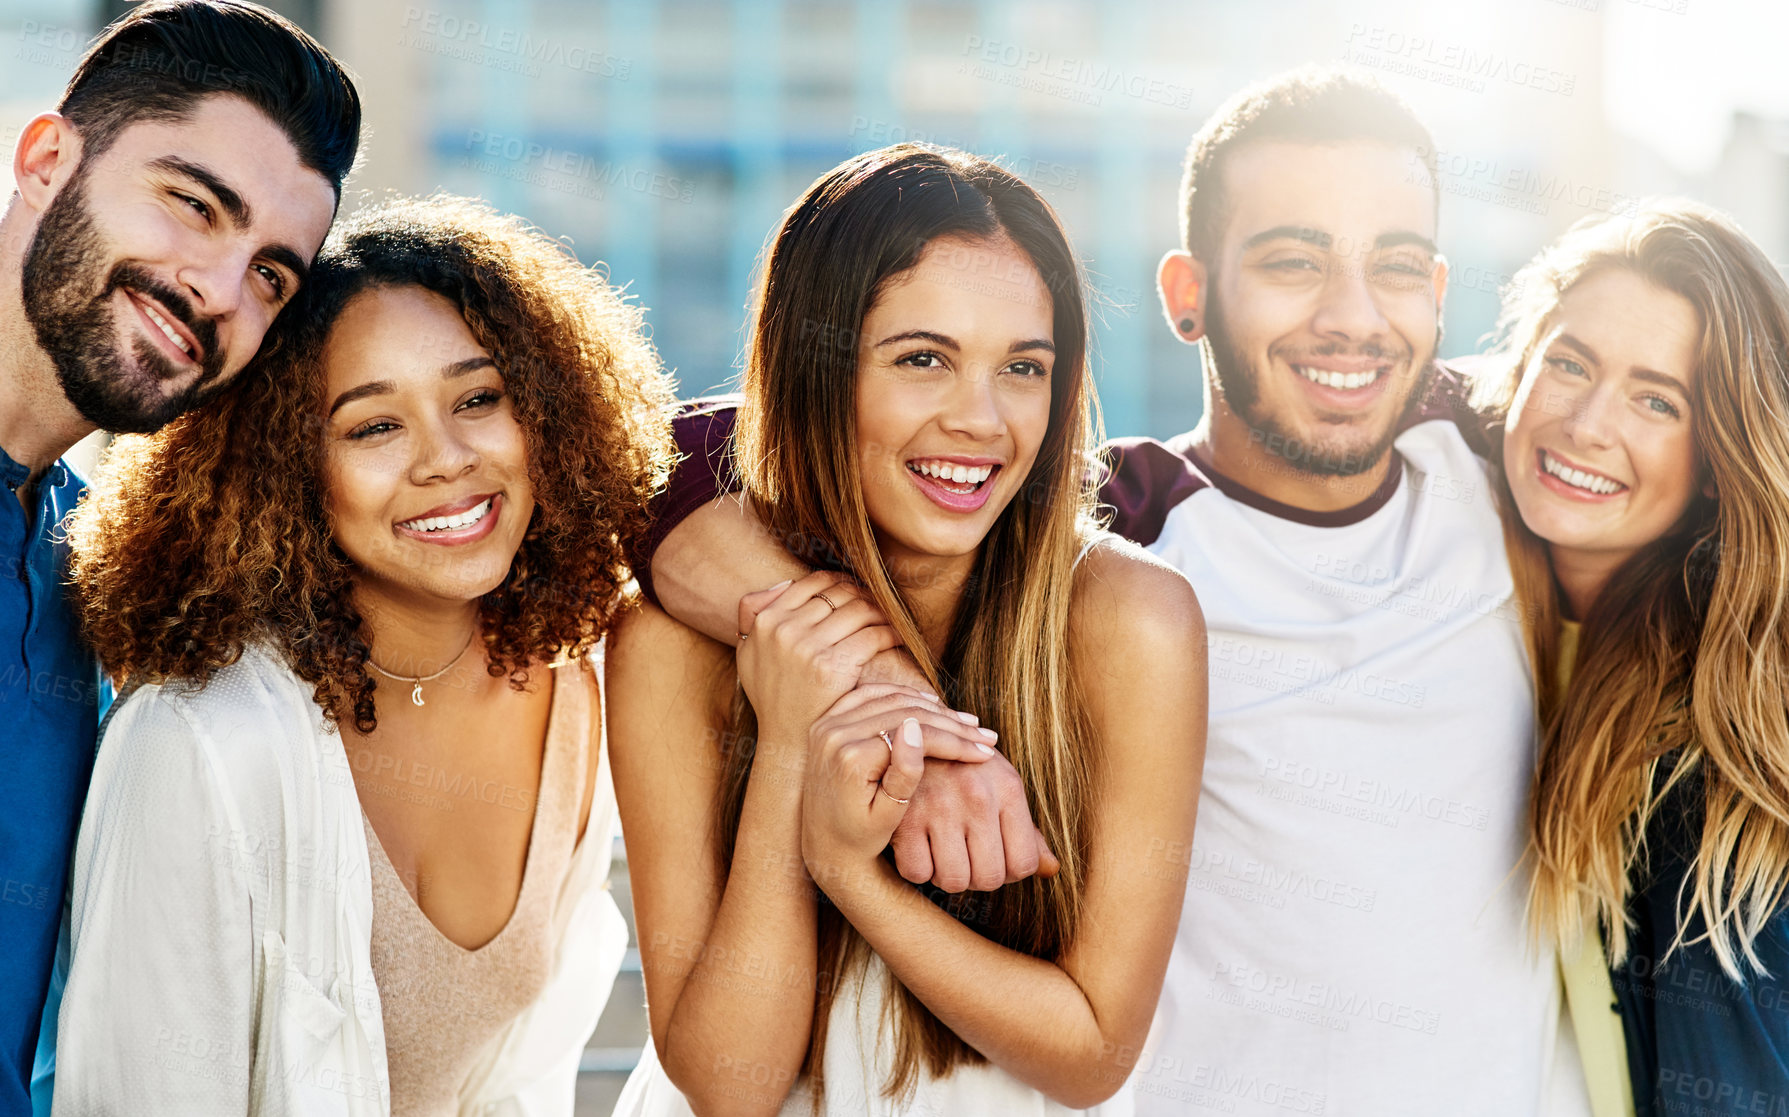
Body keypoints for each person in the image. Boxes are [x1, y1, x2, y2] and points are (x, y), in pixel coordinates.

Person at [628, 69, 1590, 1114]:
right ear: (1187, 296)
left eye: (1024, 368)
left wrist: (885, 715)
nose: (1348, 317)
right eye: (1290, 260)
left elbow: (1686, 429)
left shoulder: (1512, 473)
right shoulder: (1126, 518)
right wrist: (849, 699)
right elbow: (663, 462)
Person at [609, 144, 1207, 1115]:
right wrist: (796, 751)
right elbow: (729, 1085)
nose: (979, 418)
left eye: (1023, 367)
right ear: (815, 369)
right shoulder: (673, 640)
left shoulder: (1129, 619)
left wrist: (853, 871)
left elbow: (1091, 1051)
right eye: (922, 359)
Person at [52, 194, 675, 1114]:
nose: (447, 459)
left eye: (478, 398)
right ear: (284, 469)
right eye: (374, 426)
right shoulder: (200, 742)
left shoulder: (578, 687)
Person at [0, 2, 359, 1111]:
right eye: (193, 205)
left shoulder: (84, 572)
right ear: (48, 158)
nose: (217, 289)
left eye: (271, 277)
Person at [1487, 201, 1789, 1116]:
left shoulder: (1722, 733)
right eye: (1569, 363)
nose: (1585, 424)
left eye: (1656, 399)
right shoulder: (1463, 573)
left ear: (1714, 456)